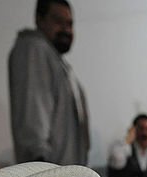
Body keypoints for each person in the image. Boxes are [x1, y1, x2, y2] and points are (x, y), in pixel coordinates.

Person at [8, 0, 89, 165]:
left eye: (69, 24)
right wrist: (43, 172)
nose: (66, 30)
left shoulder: (57, 63)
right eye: (58, 21)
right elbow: (33, 118)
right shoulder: (34, 49)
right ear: (39, 20)